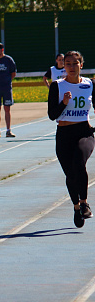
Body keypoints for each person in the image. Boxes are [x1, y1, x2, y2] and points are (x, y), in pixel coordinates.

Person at [48, 50, 95, 228]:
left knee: (79, 162)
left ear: (81, 65)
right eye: (68, 63)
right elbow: (52, 115)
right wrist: (64, 103)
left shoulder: (90, 84)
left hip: (84, 132)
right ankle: (76, 207)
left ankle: (84, 203)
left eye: (75, 63)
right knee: (70, 174)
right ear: (63, 66)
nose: (72, 67)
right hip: (64, 134)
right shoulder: (57, 86)